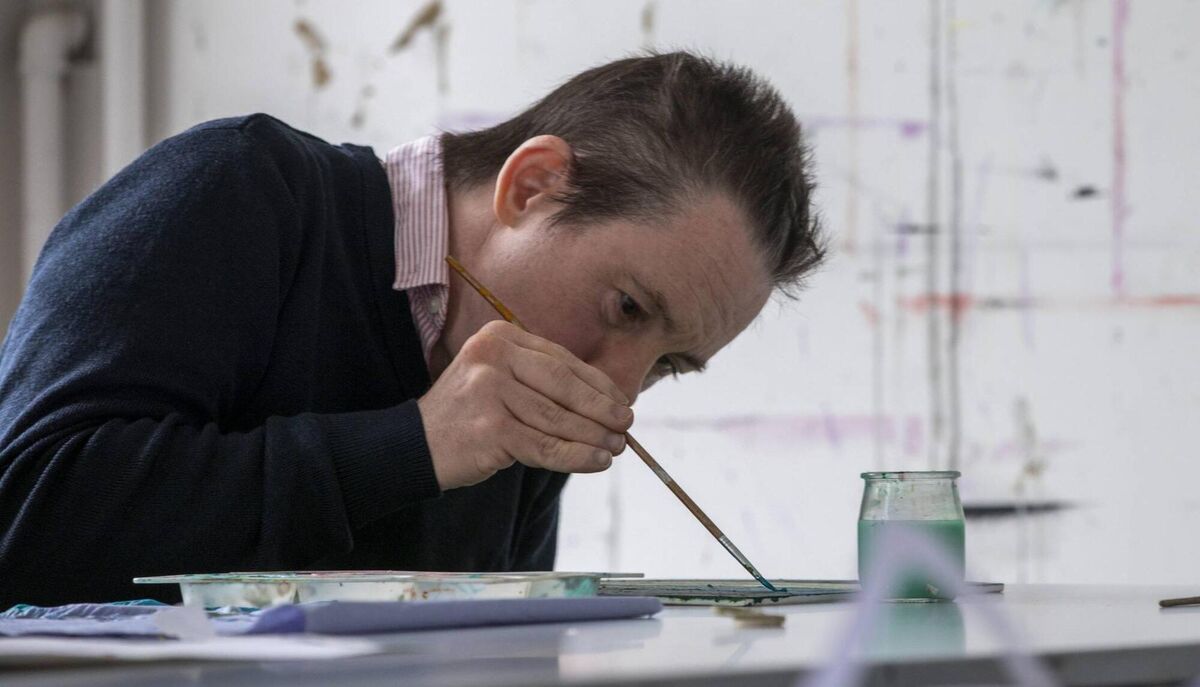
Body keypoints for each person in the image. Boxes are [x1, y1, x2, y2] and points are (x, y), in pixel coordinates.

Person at [0, 51, 824, 607]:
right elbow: (24, 525)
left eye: (670, 363)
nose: (618, 387)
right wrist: (414, 445)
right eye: (629, 308)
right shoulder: (240, 190)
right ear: (532, 186)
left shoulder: (535, 380)